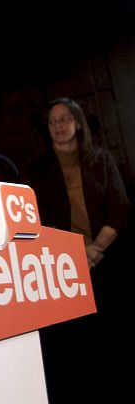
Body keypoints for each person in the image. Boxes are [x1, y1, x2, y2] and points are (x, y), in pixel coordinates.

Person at [25, 97, 130, 402]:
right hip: (62, 269)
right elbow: (36, 217)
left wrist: (95, 248)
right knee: (74, 349)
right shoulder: (36, 168)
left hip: (105, 262)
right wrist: (75, 251)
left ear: (78, 123)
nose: (58, 126)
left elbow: (120, 207)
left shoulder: (102, 158)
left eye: (64, 119)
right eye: (52, 121)